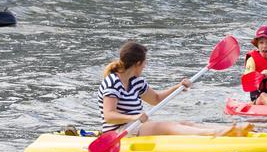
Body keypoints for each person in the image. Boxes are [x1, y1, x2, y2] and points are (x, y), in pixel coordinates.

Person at [97, 41, 232, 136]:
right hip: (117, 132)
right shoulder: (112, 82)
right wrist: (134, 117)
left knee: (185, 123)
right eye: (145, 62)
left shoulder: (136, 82)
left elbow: (156, 99)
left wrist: (178, 87)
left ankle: (231, 130)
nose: (146, 65)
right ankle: (214, 134)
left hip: (135, 126)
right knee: (165, 126)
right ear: (138, 63)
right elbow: (109, 116)